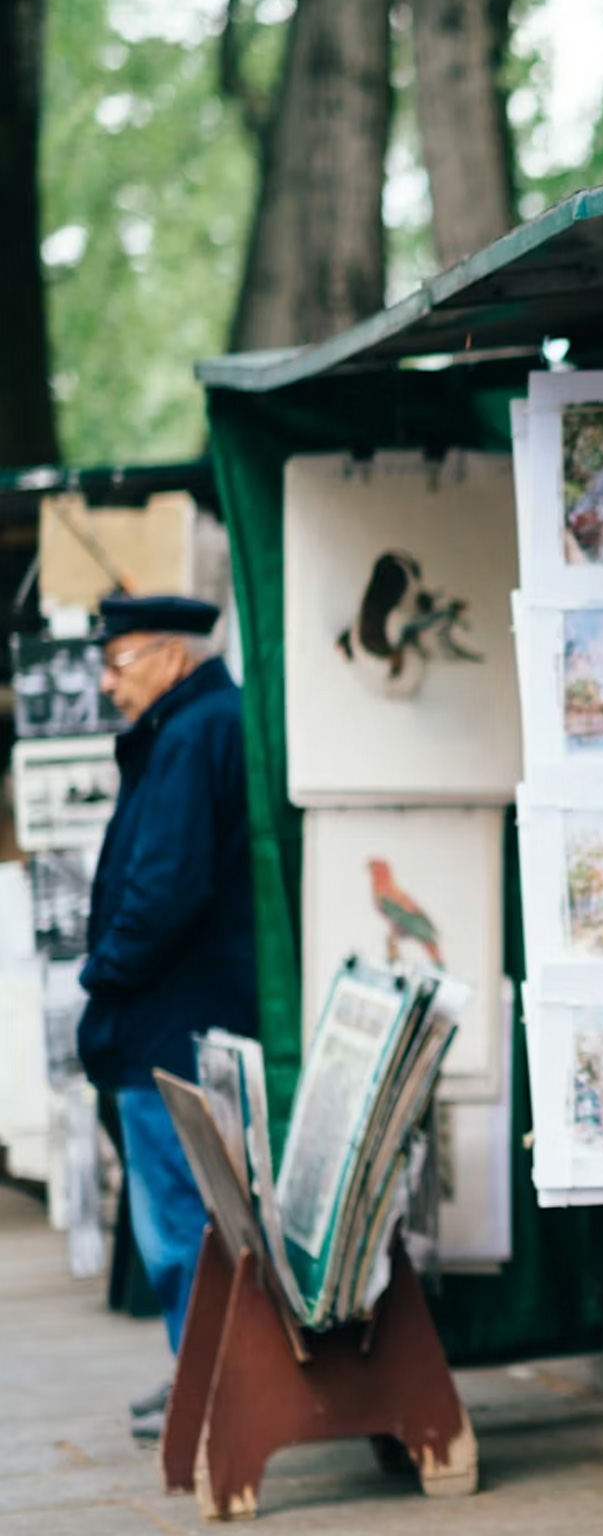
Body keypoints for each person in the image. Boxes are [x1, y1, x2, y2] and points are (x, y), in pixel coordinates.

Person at [75, 595, 257, 1443]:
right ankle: (200, 1373)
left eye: (119, 663)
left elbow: (165, 887)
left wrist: (105, 972)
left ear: (171, 657)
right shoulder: (200, 722)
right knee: (188, 1212)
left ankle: (212, 1387)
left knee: (181, 1218)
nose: (109, 684)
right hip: (181, 1013)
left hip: (170, 1019)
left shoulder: (190, 732)